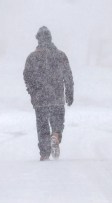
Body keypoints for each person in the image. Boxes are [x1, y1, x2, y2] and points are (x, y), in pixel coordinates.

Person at [23, 26, 74, 161]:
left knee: (42, 125)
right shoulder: (60, 55)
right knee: (57, 120)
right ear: (50, 39)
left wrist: (33, 92)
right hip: (57, 96)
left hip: (40, 99)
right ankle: (56, 135)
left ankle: (44, 153)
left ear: (38, 40)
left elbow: (27, 77)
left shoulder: (32, 58)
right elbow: (68, 75)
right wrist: (69, 92)